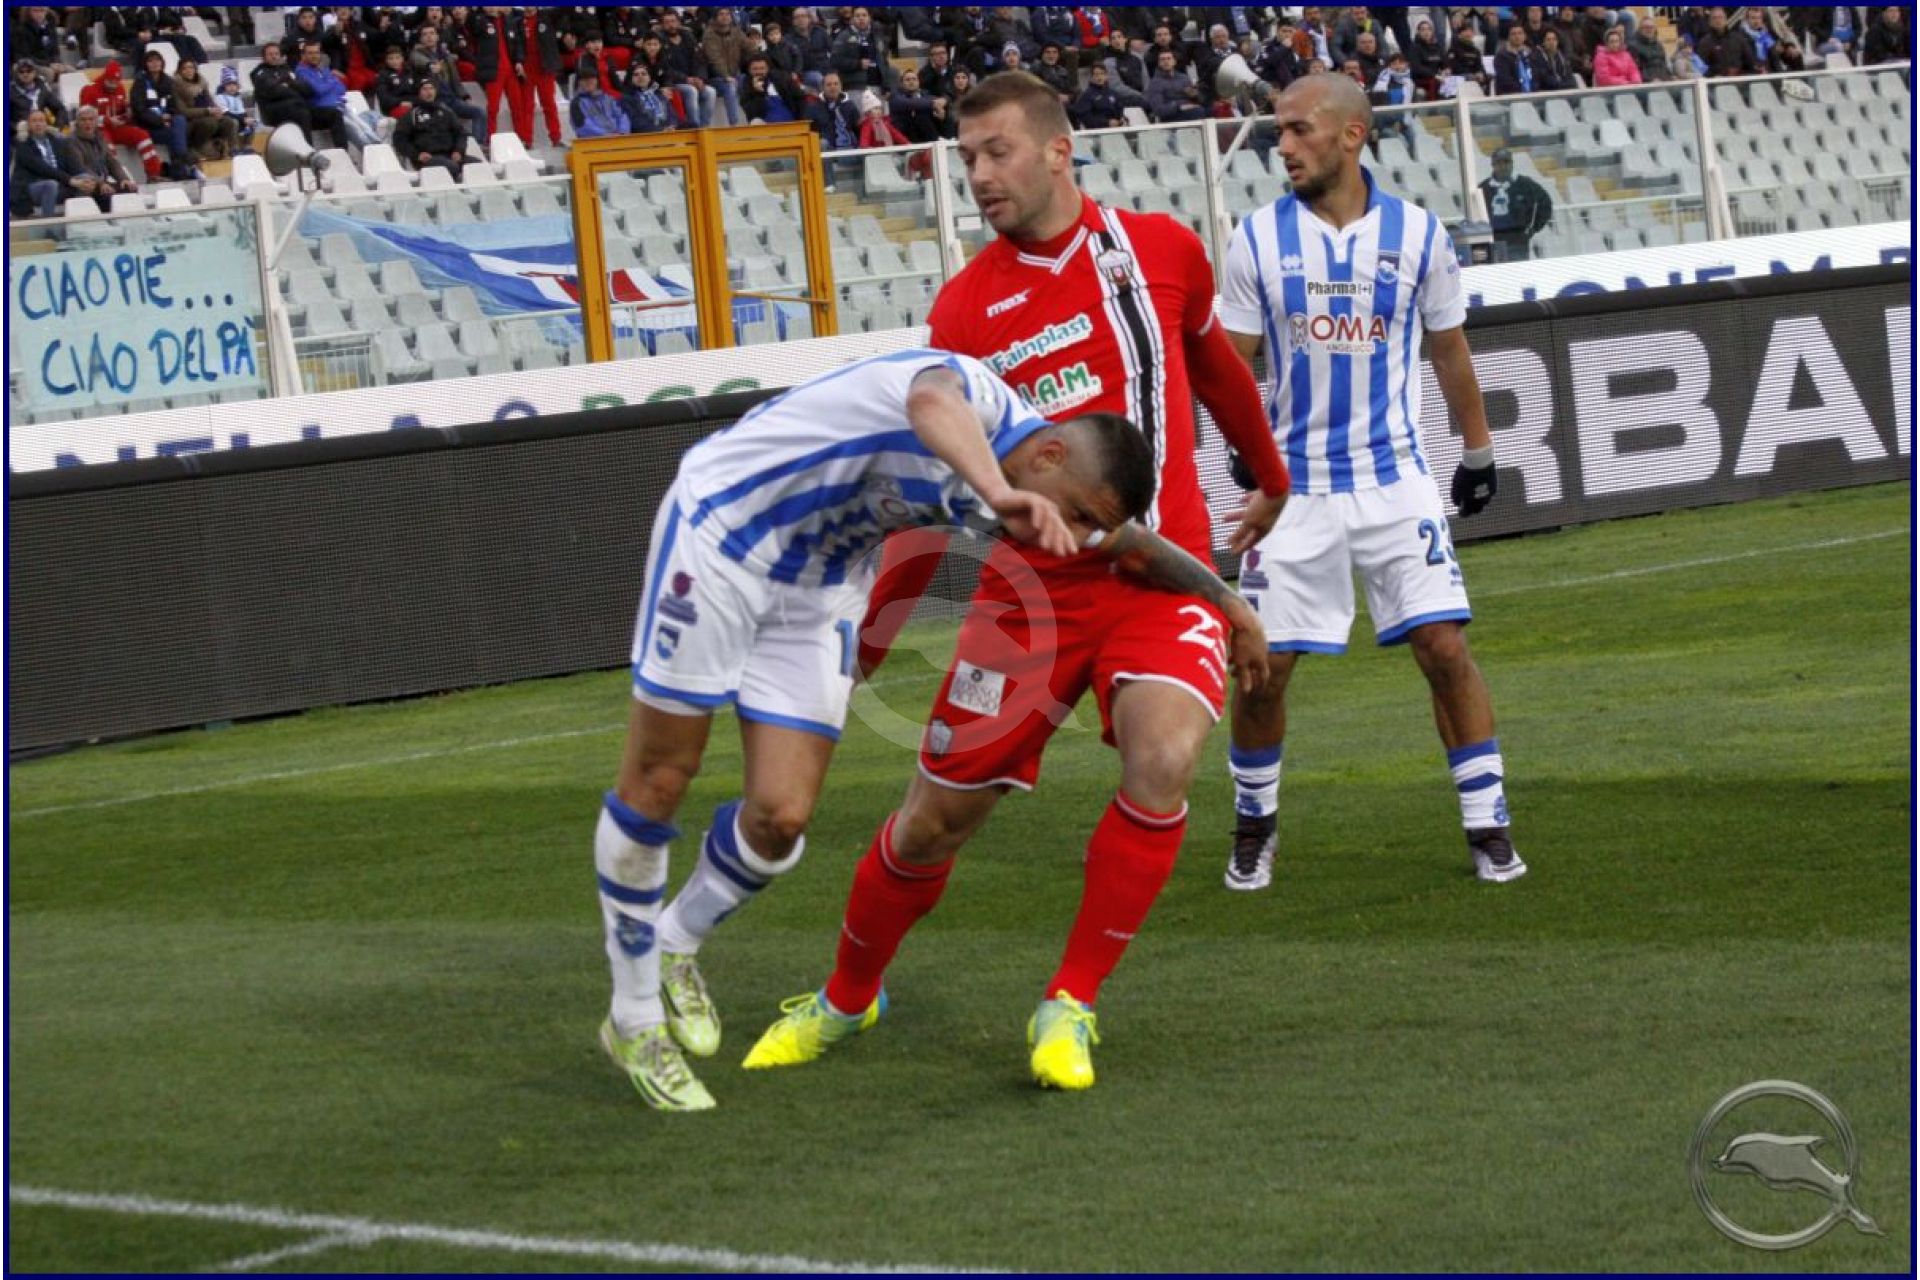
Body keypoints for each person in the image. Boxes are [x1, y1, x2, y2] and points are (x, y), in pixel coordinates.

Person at [746, 71, 1293, 1093]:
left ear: (1057, 150)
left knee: (1164, 756)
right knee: (931, 824)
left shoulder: (1159, 251)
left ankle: (1070, 1000)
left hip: (1161, 577)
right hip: (1025, 598)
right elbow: (930, 481)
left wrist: (1270, 474)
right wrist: (868, 640)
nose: (980, 176)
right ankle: (847, 996)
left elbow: (1214, 364)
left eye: (996, 152)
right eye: (968, 160)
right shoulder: (964, 307)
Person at [592, 348, 1181, 1108]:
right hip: (722, 533)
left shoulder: (1037, 493)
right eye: (1075, 515)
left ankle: (675, 942)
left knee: (781, 819)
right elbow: (929, 402)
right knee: (662, 776)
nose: (1068, 537)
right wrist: (999, 493)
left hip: (819, 585)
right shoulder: (975, 400)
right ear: (1049, 455)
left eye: (1085, 527)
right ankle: (634, 1016)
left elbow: (1132, 546)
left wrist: (1232, 607)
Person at [1216, 73, 1525, 895]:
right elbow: (1231, 363)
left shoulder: (1419, 233)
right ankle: (1254, 827)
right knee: (1264, 666)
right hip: (1295, 490)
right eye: (1278, 133)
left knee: (1445, 649)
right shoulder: (1255, 239)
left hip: (1395, 479)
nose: (1282, 147)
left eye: (1298, 130)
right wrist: (1245, 447)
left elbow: (1449, 348)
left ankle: (1489, 825)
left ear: (1351, 135)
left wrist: (1479, 451)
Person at [295, 39, 383, 149]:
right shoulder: (302, 71)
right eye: (310, 53)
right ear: (303, 55)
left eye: (317, 53)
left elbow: (341, 88)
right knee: (356, 130)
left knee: (364, 127)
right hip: (324, 110)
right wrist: (331, 81)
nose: (314, 56)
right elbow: (319, 90)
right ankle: (372, 151)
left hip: (338, 105)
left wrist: (327, 84)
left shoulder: (322, 69)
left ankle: (381, 148)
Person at [1479, 147, 1553, 259]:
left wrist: (1533, 228)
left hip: (1518, 242)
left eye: (1506, 162)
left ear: (1512, 164)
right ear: (1493, 165)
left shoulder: (1525, 184)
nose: (1503, 166)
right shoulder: (1484, 188)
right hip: (1492, 241)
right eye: (1499, 163)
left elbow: (1545, 203)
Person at [131, 49, 196, 178]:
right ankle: (183, 163)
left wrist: (168, 118)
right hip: (148, 127)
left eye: (157, 60)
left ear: (162, 62)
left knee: (179, 120)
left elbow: (174, 107)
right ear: (145, 64)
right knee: (175, 135)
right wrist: (160, 120)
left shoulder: (169, 82)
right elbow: (139, 110)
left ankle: (180, 166)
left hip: (166, 123)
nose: (155, 63)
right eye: (150, 61)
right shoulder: (140, 83)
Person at [59, 105, 138, 210]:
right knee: (107, 195)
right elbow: (79, 168)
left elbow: (111, 162)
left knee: (129, 189)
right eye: (83, 120)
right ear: (77, 122)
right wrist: (100, 183)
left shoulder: (100, 137)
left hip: (103, 183)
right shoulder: (71, 141)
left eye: (91, 119)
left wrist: (123, 179)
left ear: (96, 122)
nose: (87, 123)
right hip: (85, 185)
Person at [467, 6, 526, 144]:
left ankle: (521, 138)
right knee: (493, 108)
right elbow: (472, 25)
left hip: (511, 70)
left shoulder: (509, 21)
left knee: (517, 105)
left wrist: (519, 61)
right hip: (493, 70)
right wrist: (481, 12)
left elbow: (517, 43)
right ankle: (491, 139)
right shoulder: (480, 21)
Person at [170, 57, 237, 162]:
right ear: (179, 71)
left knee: (229, 122)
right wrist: (207, 111)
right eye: (184, 68)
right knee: (209, 123)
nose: (188, 70)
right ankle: (197, 147)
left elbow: (210, 100)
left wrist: (217, 110)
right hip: (190, 120)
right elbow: (183, 111)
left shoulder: (202, 83)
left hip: (207, 114)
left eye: (191, 67)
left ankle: (229, 150)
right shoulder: (176, 86)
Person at [395, 74, 467, 170]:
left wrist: (458, 150)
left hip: (450, 155)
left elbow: (460, 133)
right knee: (452, 167)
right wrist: (417, 155)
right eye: (425, 89)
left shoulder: (447, 111)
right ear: (419, 93)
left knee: (477, 165)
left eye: (431, 88)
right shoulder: (411, 115)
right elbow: (399, 140)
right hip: (428, 159)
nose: (429, 92)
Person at [10, 108, 65, 217]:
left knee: (84, 180)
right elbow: (41, 168)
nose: (38, 124)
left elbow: (70, 164)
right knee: (50, 185)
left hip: (59, 181)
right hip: (31, 186)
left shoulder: (56, 142)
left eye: (41, 120)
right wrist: (69, 179)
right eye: (34, 121)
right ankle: (48, 224)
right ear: (28, 125)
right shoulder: (23, 144)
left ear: (46, 124)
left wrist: (81, 179)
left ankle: (83, 223)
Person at [699, 6, 748, 126]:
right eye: (721, 14)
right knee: (730, 87)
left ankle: (756, 122)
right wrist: (726, 76)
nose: (725, 16)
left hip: (734, 74)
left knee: (753, 80)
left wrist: (762, 62)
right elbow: (715, 59)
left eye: (727, 14)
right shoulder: (709, 34)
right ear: (715, 18)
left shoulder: (736, 31)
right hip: (714, 77)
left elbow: (750, 47)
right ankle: (734, 125)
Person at [1695, 6, 1760, 76]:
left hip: (1739, 78)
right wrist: (1713, 76)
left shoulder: (1738, 38)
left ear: (1726, 20)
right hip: (1716, 80)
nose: (1718, 20)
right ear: (1710, 22)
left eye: (1720, 17)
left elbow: (1751, 61)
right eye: (1714, 18)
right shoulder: (1705, 42)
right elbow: (1700, 67)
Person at [1147, 48, 1206, 121]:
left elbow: (1199, 101)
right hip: (1170, 116)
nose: (1166, 61)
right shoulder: (1155, 83)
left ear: (1174, 61)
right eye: (1162, 59)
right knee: (1198, 112)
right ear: (1159, 63)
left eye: (1169, 58)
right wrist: (1179, 106)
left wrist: (1195, 95)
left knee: (1210, 109)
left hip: (1190, 109)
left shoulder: (1184, 78)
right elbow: (1158, 110)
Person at [888, 66, 944, 141]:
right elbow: (911, 103)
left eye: (914, 79)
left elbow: (939, 100)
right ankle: (937, 139)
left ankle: (949, 138)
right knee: (920, 114)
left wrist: (941, 106)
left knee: (944, 114)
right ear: (902, 84)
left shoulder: (925, 94)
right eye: (908, 80)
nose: (911, 82)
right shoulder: (895, 96)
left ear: (918, 82)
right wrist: (934, 104)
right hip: (905, 134)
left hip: (923, 133)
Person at [1068, 59, 1127, 129]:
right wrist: (1107, 123)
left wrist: (1122, 119)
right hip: (1097, 131)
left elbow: (1120, 112)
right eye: (1096, 74)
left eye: (1102, 73)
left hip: (1116, 129)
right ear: (1092, 77)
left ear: (1106, 76)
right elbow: (1086, 119)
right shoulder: (1087, 95)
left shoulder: (1114, 94)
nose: (1099, 77)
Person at [621, 62, 677, 133]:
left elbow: (672, 115)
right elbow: (635, 122)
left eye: (644, 74)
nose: (640, 76)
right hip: (648, 134)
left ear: (649, 78)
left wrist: (672, 126)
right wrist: (660, 130)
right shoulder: (627, 98)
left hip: (669, 131)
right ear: (631, 79)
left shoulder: (659, 95)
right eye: (636, 75)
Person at [1494, 26, 1543, 95]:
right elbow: (1505, 80)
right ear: (1508, 37)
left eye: (1520, 33)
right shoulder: (1502, 56)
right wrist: (1524, 90)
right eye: (1513, 34)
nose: (1517, 36)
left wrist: (1533, 90)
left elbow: (1537, 76)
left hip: (1533, 94)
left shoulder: (1531, 54)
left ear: (1525, 36)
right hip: (1511, 95)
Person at [213, 67, 254, 146]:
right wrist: (243, 120)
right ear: (224, 86)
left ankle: (247, 146)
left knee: (251, 122)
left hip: (238, 118)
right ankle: (234, 146)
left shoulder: (238, 97)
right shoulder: (220, 97)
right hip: (224, 120)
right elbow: (225, 113)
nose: (232, 87)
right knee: (234, 122)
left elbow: (242, 112)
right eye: (229, 84)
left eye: (234, 84)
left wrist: (247, 118)